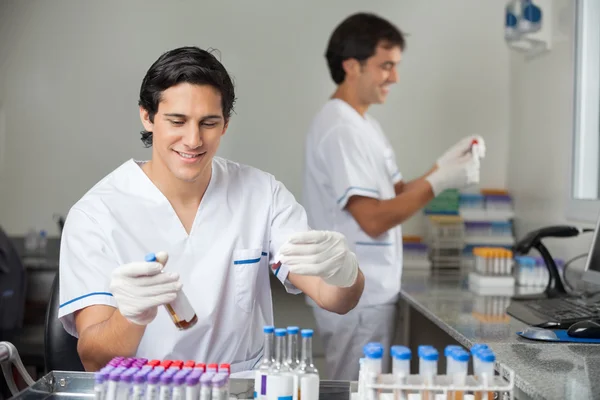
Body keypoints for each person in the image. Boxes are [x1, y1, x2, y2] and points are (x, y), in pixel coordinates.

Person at [58, 46, 365, 374]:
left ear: (225, 125)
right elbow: (93, 358)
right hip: (146, 391)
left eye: (208, 122)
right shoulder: (96, 214)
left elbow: (335, 299)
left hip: (242, 389)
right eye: (177, 121)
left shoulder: (262, 194)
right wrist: (131, 316)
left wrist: (344, 272)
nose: (193, 139)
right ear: (147, 117)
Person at [302, 13, 485, 380]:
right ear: (351, 66)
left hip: (371, 293)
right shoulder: (341, 129)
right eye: (386, 66)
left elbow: (395, 194)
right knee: (359, 389)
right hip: (356, 296)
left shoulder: (364, 124)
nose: (395, 78)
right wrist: (440, 181)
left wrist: (443, 167)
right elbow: (373, 219)